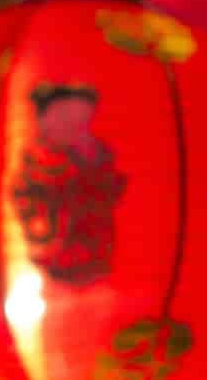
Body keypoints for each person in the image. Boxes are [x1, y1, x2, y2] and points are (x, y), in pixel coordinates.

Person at [11, 83, 126, 287]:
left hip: (96, 253)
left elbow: (112, 191)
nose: (77, 128)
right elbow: (34, 199)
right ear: (42, 122)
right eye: (66, 120)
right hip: (57, 254)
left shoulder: (96, 154)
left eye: (82, 122)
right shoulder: (40, 160)